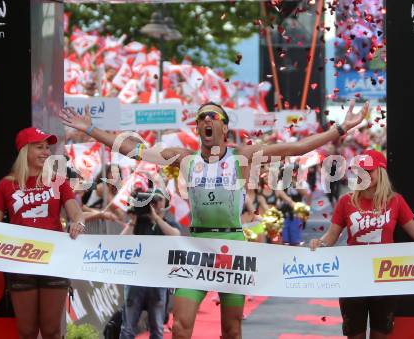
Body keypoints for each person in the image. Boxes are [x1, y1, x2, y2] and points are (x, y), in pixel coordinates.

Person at [60, 100, 368, 339]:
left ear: (224, 128)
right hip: (196, 246)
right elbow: (134, 150)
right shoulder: (184, 158)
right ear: (197, 129)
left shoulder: (243, 156)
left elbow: (297, 147)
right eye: (202, 118)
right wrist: (90, 129)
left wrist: (341, 129)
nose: (207, 121)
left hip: (232, 245)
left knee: (232, 330)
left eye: (213, 117)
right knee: (180, 328)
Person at [309, 149, 414, 339]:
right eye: (359, 171)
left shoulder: (395, 201)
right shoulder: (346, 201)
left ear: (380, 171)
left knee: (380, 335)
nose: (363, 175)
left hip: (385, 277)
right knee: (355, 336)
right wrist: (319, 243)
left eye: (369, 171)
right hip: (353, 278)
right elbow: (330, 237)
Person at [0, 127, 85, 339]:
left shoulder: (58, 181)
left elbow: (76, 213)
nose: (46, 152)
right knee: (27, 332)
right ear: (25, 151)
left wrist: (78, 223)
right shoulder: (6, 185)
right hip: (20, 262)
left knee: (51, 331)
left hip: (55, 261)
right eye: (39, 147)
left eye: (47, 148)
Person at [119, 191, 181, 339]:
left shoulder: (168, 223)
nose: (155, 204)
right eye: (152, 201)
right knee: (127, 329)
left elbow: (175, 236)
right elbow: (120, 243)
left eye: (158, 200)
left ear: (165, 203)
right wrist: (133, 220)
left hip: (157, 281)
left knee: (157, 329)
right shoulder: (138, 222)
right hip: (136, 280)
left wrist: (156, 218)